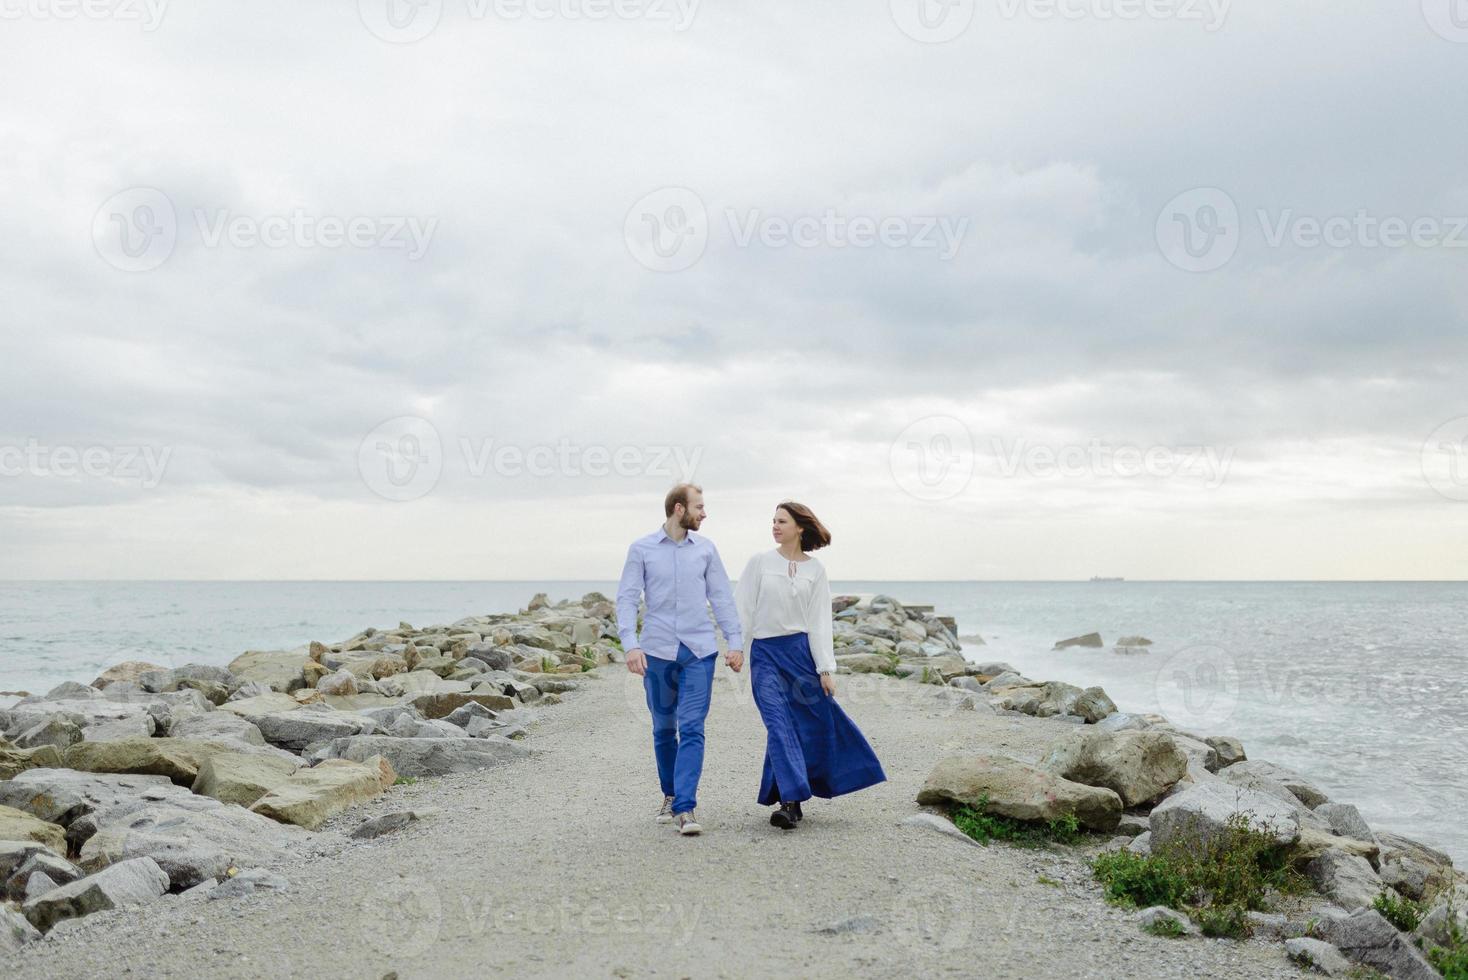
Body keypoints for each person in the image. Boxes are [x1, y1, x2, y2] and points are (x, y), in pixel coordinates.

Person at [735, 501, 886, 830]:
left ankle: (791, 800)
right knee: (778, 723)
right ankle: (790, 801)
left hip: (801, 654)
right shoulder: (759, 563)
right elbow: (743, 608)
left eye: (782, 521)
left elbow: (819, 622)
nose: (774, 526)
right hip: (765, 654)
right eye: (773, 521)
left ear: (799, 527)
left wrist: (825, 669)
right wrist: (736, 648)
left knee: (807, 725)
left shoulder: (815, 570)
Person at [616, 484, 744, 836]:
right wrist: (631, 644)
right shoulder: (641, 549)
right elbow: (626, 599)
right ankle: (670, 794)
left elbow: (721, 597)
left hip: (699, 652)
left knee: (692, 727)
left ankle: (686, 808)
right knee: (662, 729)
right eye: (699, 507)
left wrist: (735, 641)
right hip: (656, 651)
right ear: (678, 509)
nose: (704, 513)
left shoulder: (706, 549)